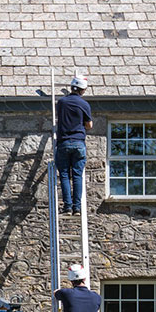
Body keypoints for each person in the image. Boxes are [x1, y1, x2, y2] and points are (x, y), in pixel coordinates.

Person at [55, 74, 92, 216]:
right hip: (78, 143)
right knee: (77, 175)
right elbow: (89, 125)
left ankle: (68, 207)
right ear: (82, 90)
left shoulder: (62, 103)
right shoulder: (84, 104)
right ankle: (77, 207)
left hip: (63, 142)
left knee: (64, 175)